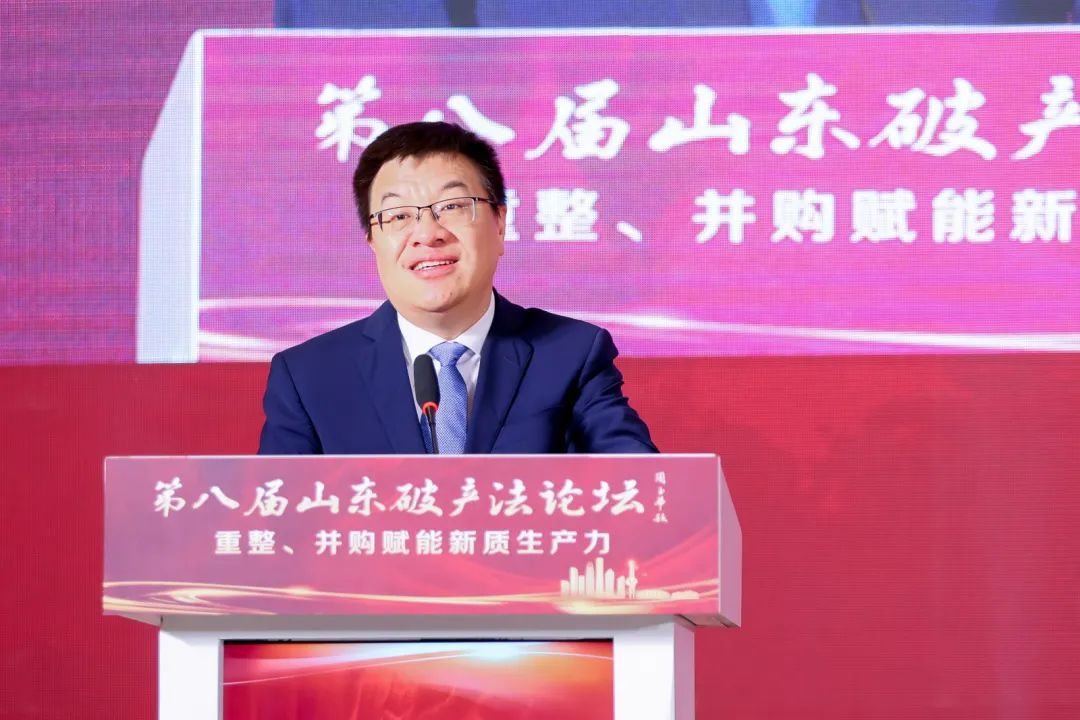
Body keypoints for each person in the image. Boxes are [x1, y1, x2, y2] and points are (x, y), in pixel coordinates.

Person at [258, 121, 657, 455]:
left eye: (452, 206)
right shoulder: (309, 376)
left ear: (499, 223)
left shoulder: (571, 355)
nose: (427, 234)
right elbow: (277, 514)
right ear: (372, 241)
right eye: (398, 216)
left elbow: (643, 488)